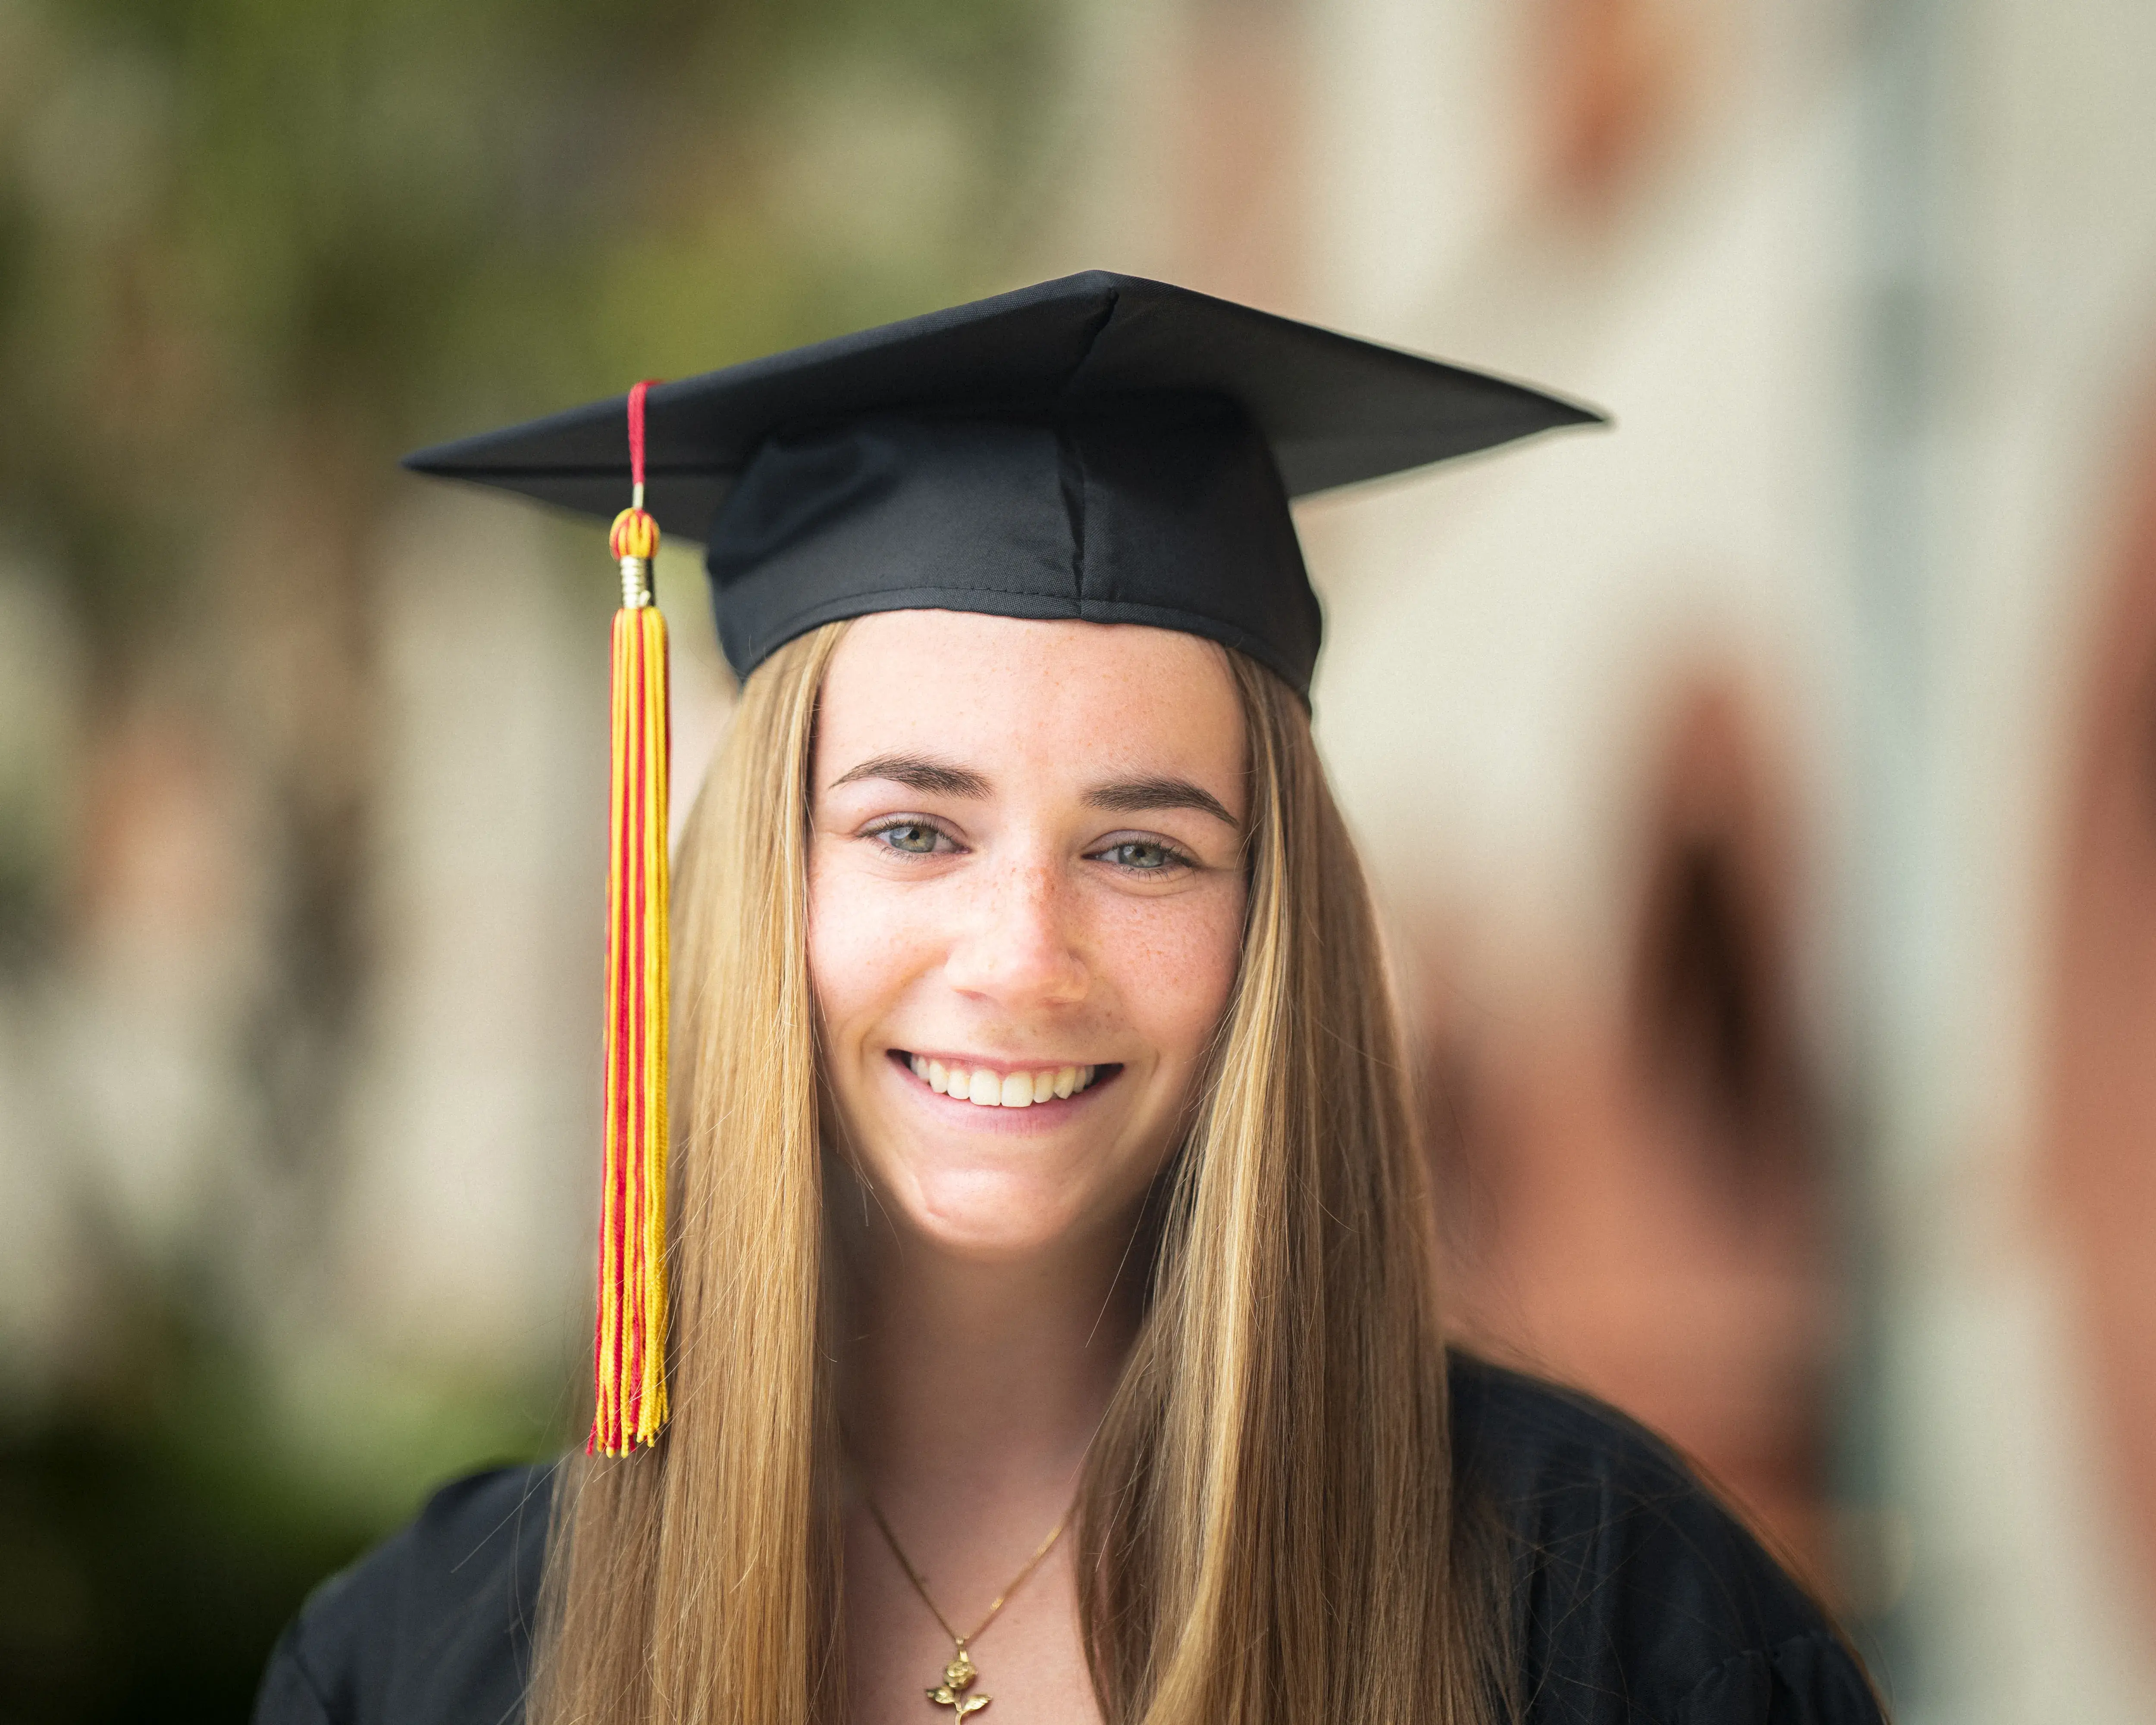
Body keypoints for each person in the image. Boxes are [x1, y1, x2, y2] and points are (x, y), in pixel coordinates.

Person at [253, 273, 1884, 1725]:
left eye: (1143, 848)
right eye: (911, 829)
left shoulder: (1607, 1617)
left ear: (1275, 922)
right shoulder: (441, 1658)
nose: (1024, 957)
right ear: (766, 887)